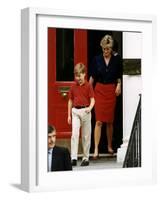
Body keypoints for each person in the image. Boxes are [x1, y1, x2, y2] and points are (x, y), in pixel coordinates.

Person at [89, 34, 122, 159]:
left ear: (111, 48)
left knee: (109, 121)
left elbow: (119, 75)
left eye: (107, 49)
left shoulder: (116, 59)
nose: (105, 52)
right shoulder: (96, 59)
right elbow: (92, 78)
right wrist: (89, 93)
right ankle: (96, 149)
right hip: (99, 90)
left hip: (111, 91)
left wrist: (119, 85)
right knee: (98, 121)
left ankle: (109, 146)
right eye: (103, 49)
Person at [68, 63, 95, 166]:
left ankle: (85, 158)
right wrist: (69, 115)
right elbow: (70, 101)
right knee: (75, 134)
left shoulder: (88, 86)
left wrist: (90, 108)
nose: (78, 78)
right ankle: (73, 158)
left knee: (86, 136)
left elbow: (92, 100)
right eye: (76, 76)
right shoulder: (73, 86)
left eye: (80, 75)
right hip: (75, 111)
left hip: (85, 111)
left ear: (84, 74)